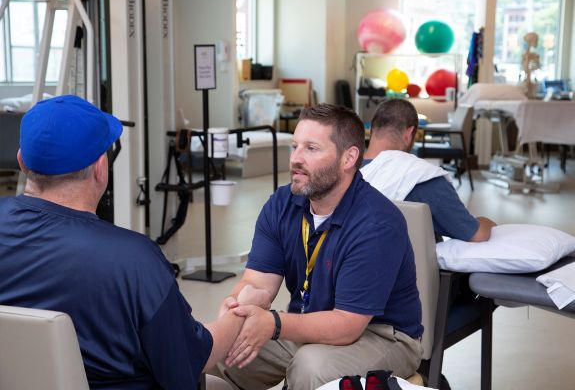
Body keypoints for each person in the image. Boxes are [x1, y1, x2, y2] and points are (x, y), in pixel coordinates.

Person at [0, 95, 252, 390]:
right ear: (100, 168)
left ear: (21, 161)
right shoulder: (134, 260)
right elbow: (189, 362)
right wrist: (237, 315)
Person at [217, 103, 423, 390]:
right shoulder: (282, 204)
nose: (296, 159)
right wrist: (240, 304)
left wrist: (274, 323)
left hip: (381, 334)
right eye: (295, 147)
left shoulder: (376, 223)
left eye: (311, 149)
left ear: (348, 157)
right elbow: (256, 281)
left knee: (310, 368)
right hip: (308, 322)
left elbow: (347, 325)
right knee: (217, 350)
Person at [361, 98, 496, 242]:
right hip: (416, 264)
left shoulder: (345, 175)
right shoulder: (422, 178)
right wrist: (487, 223)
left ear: (371, 129)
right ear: (409, 134)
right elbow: (476, 235)